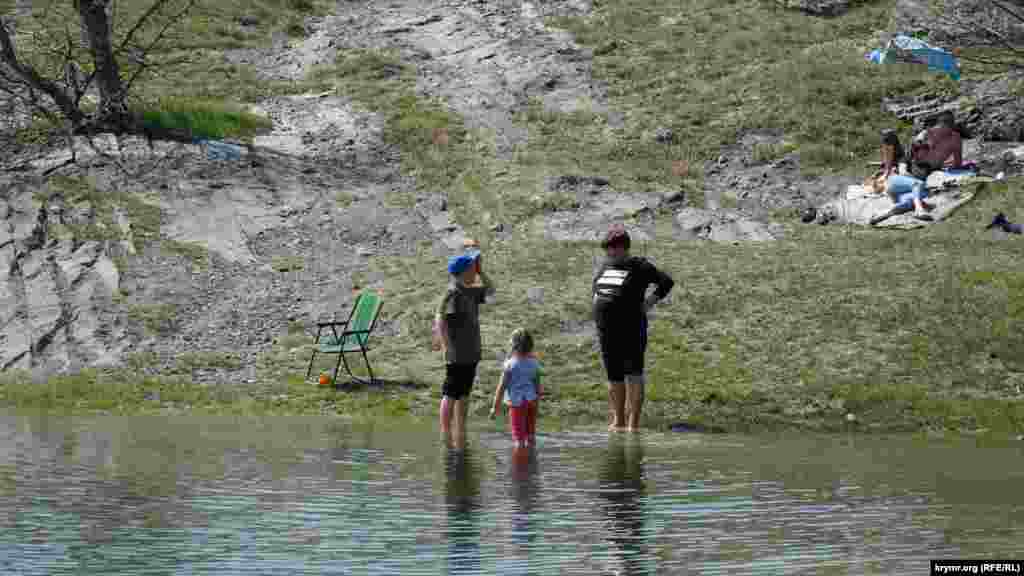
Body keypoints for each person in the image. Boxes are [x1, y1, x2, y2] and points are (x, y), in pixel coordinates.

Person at [592, 225, 674, 431]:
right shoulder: (606, 266)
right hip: (606, 332)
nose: (609, 252)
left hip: (631, 330)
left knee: (633, 374)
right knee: (613, 376)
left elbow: (666, 282)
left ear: (623, 247)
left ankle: (633, 424)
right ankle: (618, 420)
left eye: (612, 248)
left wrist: (649, 302)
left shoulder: (639, 266)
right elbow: (597, 288)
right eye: (607, 248)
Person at [433, 248, 496, 449]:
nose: (474, 271)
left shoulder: (471, 291)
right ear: (462, 272)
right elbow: (440, 318)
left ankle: (461, 429)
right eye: (471, 268)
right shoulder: (453, 293)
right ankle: (445, 433)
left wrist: (481, 271)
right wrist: (446, 345)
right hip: (457, 353)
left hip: (471, 352)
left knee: (465, 393)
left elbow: (491, 291)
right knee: (451, 392)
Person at [489, 328, 542, 447]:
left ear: (513, 347)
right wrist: (536, 404)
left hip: (517, 404)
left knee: (519, 439)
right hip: (531, 401)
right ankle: (532, 456)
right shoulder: (534, 363)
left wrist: (494, 408)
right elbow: (537, 386)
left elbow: (501, 388)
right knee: (531, 435)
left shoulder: (509, 365)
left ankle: (519, 458)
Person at [869, 129, 935, 225]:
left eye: (926, 151)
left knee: (909, 202)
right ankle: (919, 210)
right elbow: (903, 172)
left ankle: (884, 213)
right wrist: (920, 183)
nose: (924, 154)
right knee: (918, 184)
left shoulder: (926, 166)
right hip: (895, 182)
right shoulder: (906, 158)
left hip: (904, 189)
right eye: (922, 150)